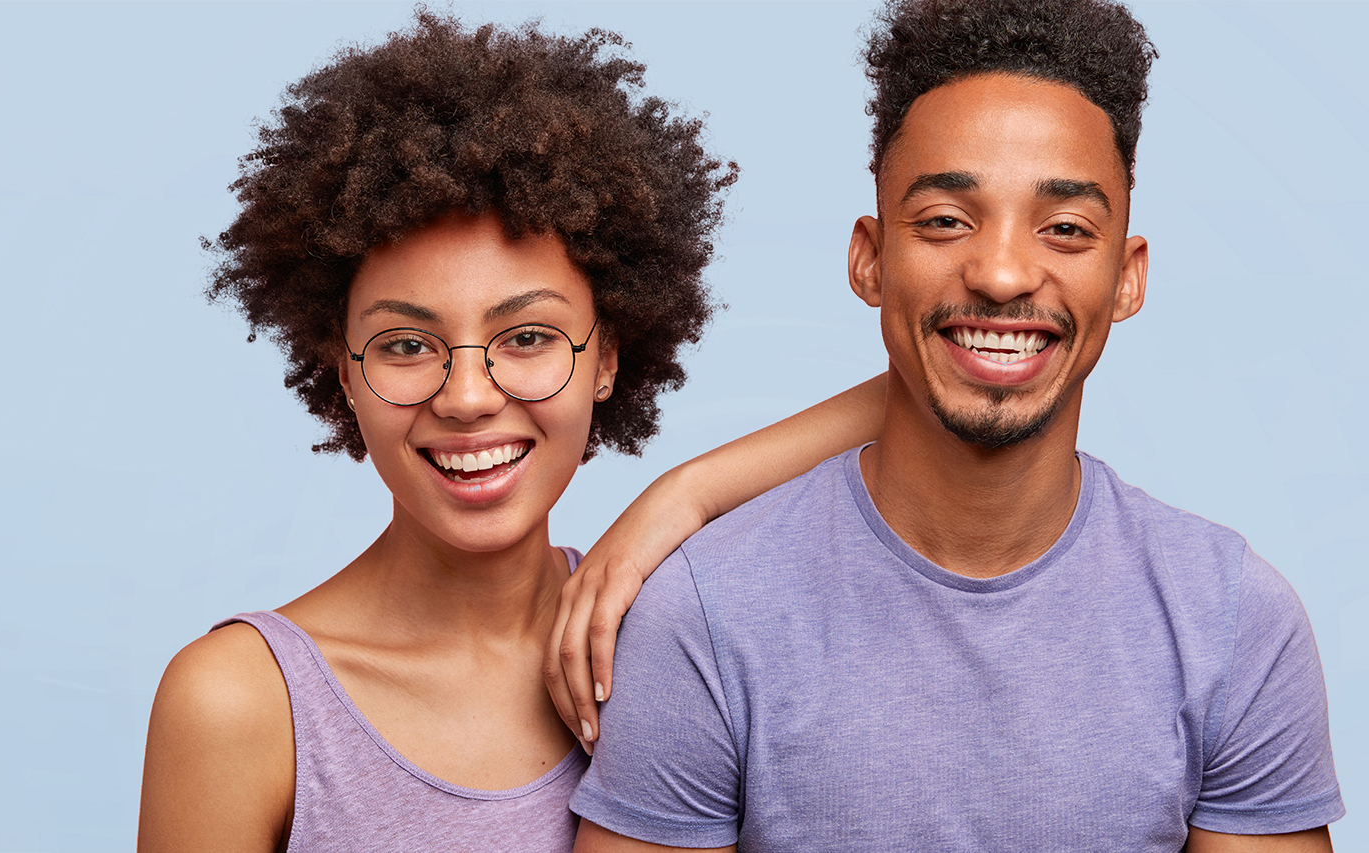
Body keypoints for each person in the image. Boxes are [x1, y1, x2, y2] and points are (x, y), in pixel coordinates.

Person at [567, 0, 1345, 850]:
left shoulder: (1232, 620)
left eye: (1065, 229)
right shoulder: (703, 618)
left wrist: (690, 489)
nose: (1003, 272)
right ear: (869, 258)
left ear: (1127, 278)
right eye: (944, 219)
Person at [136, 12, 885, 852]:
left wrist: (685, 493)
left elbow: (948, 394)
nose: (465, 396)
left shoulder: (674, 644)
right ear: (342, 370)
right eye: (406, 345)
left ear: (607, 355)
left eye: (525, 337)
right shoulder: (240, 702)